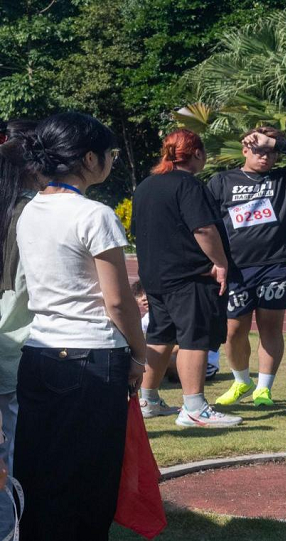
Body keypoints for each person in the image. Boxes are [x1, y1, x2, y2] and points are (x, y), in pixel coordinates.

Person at [15, 112, 146, 539]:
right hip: (92, 355)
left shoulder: (30, 210)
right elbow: (118, 299)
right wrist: (140, 354)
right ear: (89, 158)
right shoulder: (94, 214)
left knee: (40, 472)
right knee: (90, 482)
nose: (111, 160)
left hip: (39, 351)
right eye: (109, 153)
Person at [132, 129, 241, 428]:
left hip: (156, 275)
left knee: (160, 335)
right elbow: (203, 229)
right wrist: (220, 262)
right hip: (189, 275)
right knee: (195, 337)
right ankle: (194, 407)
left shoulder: (146, 185)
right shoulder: (189, 184)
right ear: (197, 153)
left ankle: (147, 399)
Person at [208, 127, 286, 407]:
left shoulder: (284, 177)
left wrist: (274, 142)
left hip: (276, 265)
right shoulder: (221, 181)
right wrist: (214, 260)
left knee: (270, 327)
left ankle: (263, 389)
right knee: (234, 330)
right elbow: (208, 223)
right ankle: (241, 381)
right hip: (236, 267)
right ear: (244, 149)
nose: (265, 157)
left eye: (271, 152)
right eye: (259, 150)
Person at [0, 119, 38, 479]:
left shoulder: (13, 209)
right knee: (9, 455)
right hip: (16, 344)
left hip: (10, 342)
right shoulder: (31, 213)